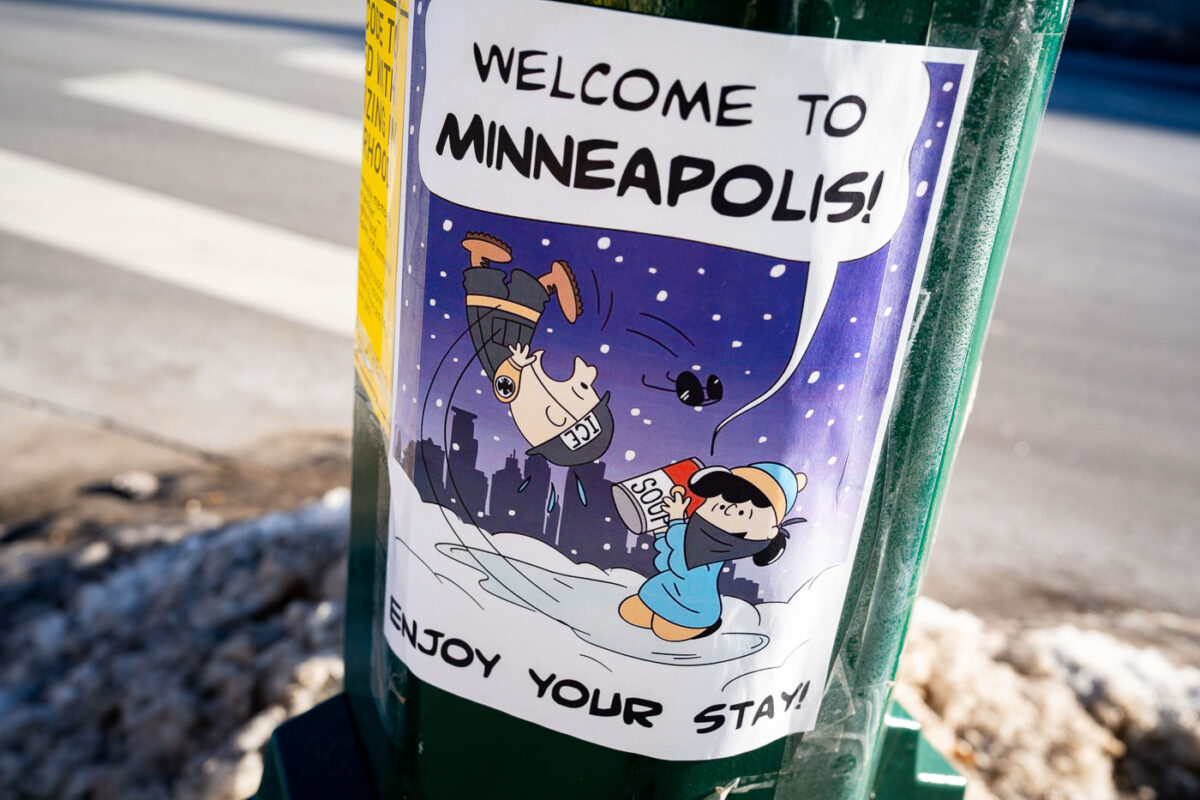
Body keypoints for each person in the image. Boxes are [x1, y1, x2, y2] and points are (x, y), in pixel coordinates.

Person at [461, 232, 614, 467]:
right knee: (522, 311)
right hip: (511, 342)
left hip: (497, 339)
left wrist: (515, 364)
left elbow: (504, 385)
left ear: (556, 417)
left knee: (495, 302)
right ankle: (547, 282)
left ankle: (481, 257)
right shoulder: (533, 393)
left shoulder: (513, 391)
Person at [619, 462, 806, 641]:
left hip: (692, 606)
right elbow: (667, 559)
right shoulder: (693, 535)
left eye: (742, 513)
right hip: (665, 588)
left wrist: (676, 519)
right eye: (721, 505)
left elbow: (682, 564)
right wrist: (662, 529)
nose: (727, 511)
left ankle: (700, 626)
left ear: (769, 531)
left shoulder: (713, 550)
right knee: (629, 612)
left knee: (664, 631)